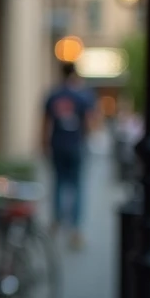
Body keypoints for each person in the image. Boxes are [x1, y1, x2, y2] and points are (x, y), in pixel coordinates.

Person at [41, 62, 100, 249]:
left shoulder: (53, 94)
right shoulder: (83, 95)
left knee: (58, 184)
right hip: (77, 146)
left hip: (58, 145)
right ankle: (76, 231)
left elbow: (45, 123)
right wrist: (90, 138)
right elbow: (91, 123)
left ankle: (56, 223)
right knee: (78, 187)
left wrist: (44, 144)